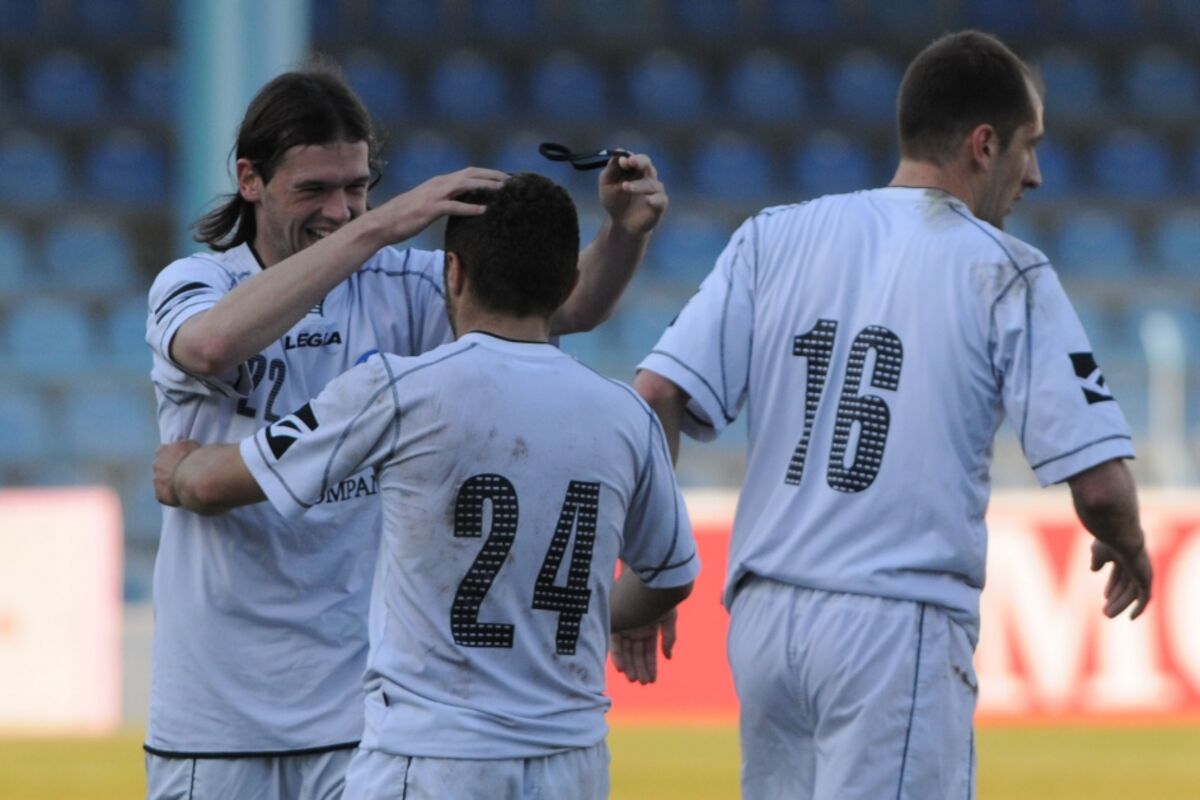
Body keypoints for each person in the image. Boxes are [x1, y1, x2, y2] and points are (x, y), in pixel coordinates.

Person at [625, 30, 1153, 800]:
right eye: (1029, 146)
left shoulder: (773, 237)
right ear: (984, 145)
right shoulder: (1005, 270)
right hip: (893, 624)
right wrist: (1128, 542)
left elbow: (655, 396)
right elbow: (1100, 486)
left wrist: (650, 570)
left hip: (766, 625)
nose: (1035, 175)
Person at [144, 65, 669, 799]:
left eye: (358, 188)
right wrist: (381, 225)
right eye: (315, 189)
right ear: (250, 179)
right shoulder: (197, 282)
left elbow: (560, 307)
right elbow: (208, 347)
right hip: (219, 708)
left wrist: (622, 233)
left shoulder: (403, 285)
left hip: (362, 711)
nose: (341, 210)